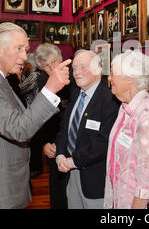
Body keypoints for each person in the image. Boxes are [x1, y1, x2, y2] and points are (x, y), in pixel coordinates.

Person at [0, 22, 71, 209]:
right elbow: (19, 129)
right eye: (19, 49)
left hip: (8, 178)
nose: (24, 56)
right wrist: (50, 89)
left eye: (25, 49)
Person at [55, 49, 120, 209]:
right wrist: (60, 155)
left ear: (98, 69)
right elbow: (64, 128)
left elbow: (103, 142)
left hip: (95, 181)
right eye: (75, 68)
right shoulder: (76, 93)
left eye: (82, 67)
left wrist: (74, 161)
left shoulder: (110, 100)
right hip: (71, 175)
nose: (76, 73)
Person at [104, 50, 149, 209]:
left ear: (130, 79)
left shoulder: (146, 114)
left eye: (113, 74)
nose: (109, 78)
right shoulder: (126, 107)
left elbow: (146, 180)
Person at [29, 43, 73, 209]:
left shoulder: (74, 77)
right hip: (51, 140)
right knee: (57, 185)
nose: (52, 67)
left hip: (72, 138)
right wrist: (43, 143)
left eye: (54, 62)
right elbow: (35, 116)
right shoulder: (40, 80)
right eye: (46, 65)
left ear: (61, 59)